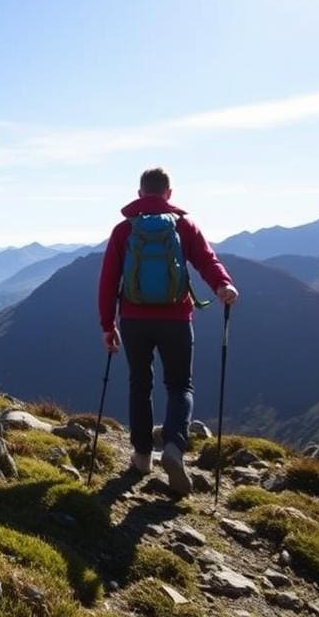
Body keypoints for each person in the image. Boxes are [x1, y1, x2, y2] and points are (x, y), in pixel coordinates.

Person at [98, 167, 238, 496]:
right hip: (176, 318)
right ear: (169, 193)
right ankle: (174, 446)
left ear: (139, 193)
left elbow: (108, 281)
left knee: (139, 384)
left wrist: (108, 325)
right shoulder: (184, 226)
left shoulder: (123, 230)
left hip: (133, 320)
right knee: (179, 385)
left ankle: (142, 456)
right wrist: (223, 284)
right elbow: (206, 259)